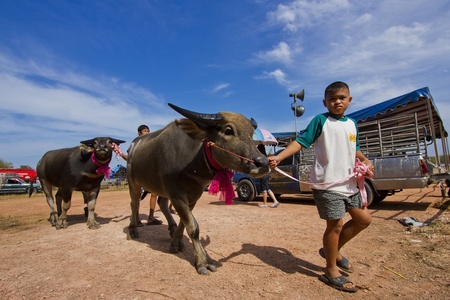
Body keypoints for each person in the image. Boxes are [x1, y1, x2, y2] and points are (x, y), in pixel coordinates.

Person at [269, 81, 374, 293]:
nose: (337, 102)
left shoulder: (352, 124)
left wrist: (366, 161)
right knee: (334, 226)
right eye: (333, 99)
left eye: (342, 98)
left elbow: (355, 149)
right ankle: (331, 270)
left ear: (349, 100)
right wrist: (279, 157)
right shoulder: (320, 121)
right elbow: (301, 142)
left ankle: (331, 251)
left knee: (364, 220)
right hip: (327, 184)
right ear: (324, 102)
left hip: (350, 183)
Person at [114, 124, 162, 226]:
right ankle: (136, 218)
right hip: (137, 173)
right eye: (145, 131)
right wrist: (121, 154)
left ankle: (151, 217)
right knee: (136, 195)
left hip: (150, 174)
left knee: (154, 193)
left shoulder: (151, 144)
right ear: (139, 133)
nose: (147, 133)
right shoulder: (135, 145)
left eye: (148, 131)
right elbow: (129, 159)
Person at [257, 144, 279, 208]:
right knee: (267, 188)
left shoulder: (261, 158)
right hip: (268, 174)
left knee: (264, 189)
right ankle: (275, 201)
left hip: (264, 174)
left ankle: (265, 203)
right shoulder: (267, 158)